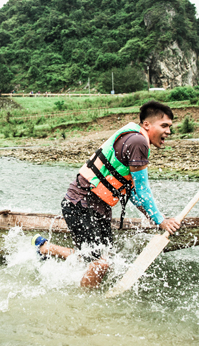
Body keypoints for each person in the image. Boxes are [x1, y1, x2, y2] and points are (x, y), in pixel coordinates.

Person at [32, 100, 181, 288]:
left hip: (95, 208)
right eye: (164, 126)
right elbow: (142, 189)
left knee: (100, 258)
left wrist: (155, 218)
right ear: (146, 125)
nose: (168, 131)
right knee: (100, 263)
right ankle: (84, 306)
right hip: (81, 204)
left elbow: (133, 192)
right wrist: (161, 220)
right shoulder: (138, 142)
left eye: (170, 127)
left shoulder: (136, 139)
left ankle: (45, 248)